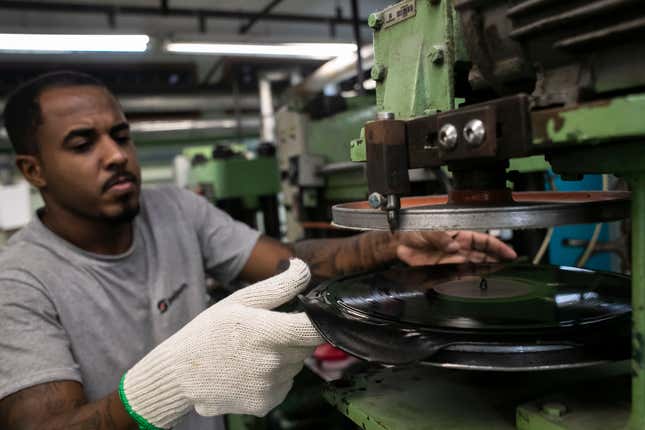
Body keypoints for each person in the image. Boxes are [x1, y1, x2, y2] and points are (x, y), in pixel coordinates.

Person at [0, 71, 516, 430]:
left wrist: (393, 244)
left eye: (120, 135)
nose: (115, 155)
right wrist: (164, 387)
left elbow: (288, 265)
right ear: (34, 170)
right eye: (82, 143)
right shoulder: (20, 282)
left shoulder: (176, 210)